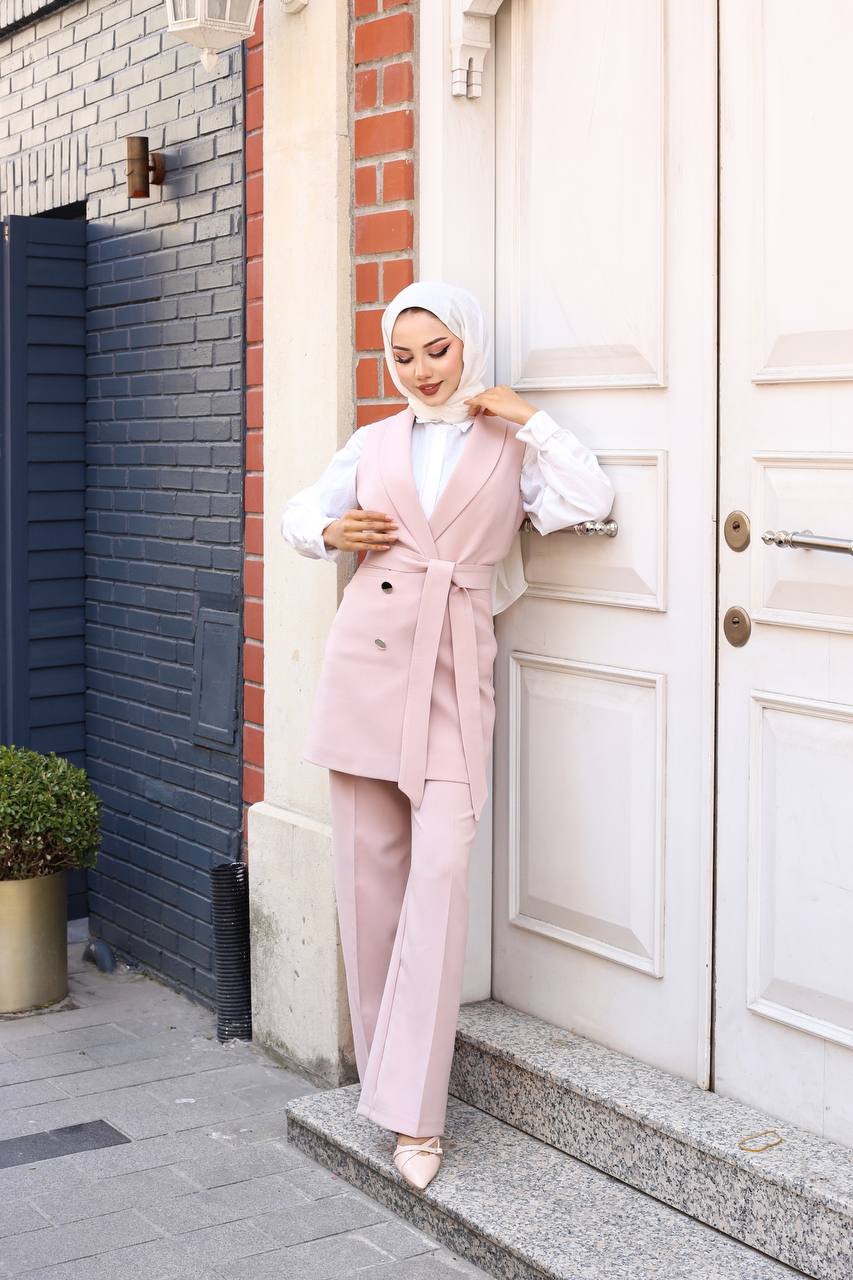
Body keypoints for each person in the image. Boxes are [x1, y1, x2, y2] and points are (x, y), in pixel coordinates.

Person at [280, 280, 614, 1191]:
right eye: (403, 354)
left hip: (453, 676)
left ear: (467, 346)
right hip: (368, 665)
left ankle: (415, 1118)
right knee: (367, 879)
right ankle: (392, 1094)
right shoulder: (374, 441)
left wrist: (531, 418)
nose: (421, 371)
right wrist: (324, 530)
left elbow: (588, 498)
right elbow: (298, 510)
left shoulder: (511, 442)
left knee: (437, 882)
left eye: (437, 350)